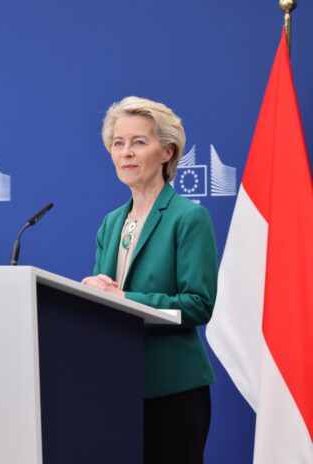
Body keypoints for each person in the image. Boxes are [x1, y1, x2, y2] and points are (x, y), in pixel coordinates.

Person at [81, 96, 217, 463]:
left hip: (172, 389)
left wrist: (124, 299)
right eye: (118, 143)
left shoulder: (188, 218)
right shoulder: (111, 222)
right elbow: (107, 298)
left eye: (139, 142)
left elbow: (198, 304)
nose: (126, 152)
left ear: (167, 152)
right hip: (117, 387)